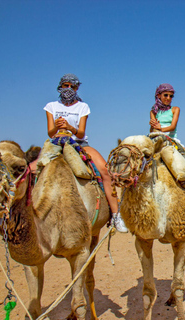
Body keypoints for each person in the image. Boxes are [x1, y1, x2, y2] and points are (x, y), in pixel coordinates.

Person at [44, 73, 128, 232]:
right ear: (60, 86)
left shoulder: (82, 107)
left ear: (77, 88)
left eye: (72, 86)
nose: (68, 89)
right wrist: (57, 126)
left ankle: (116, 214)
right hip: (56, 143)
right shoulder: (51, 106)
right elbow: (50, 132)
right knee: (30, 170)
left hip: (79, 143)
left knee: (105, 171)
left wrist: (69, 127)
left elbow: (81, 133)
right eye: (66, 85)